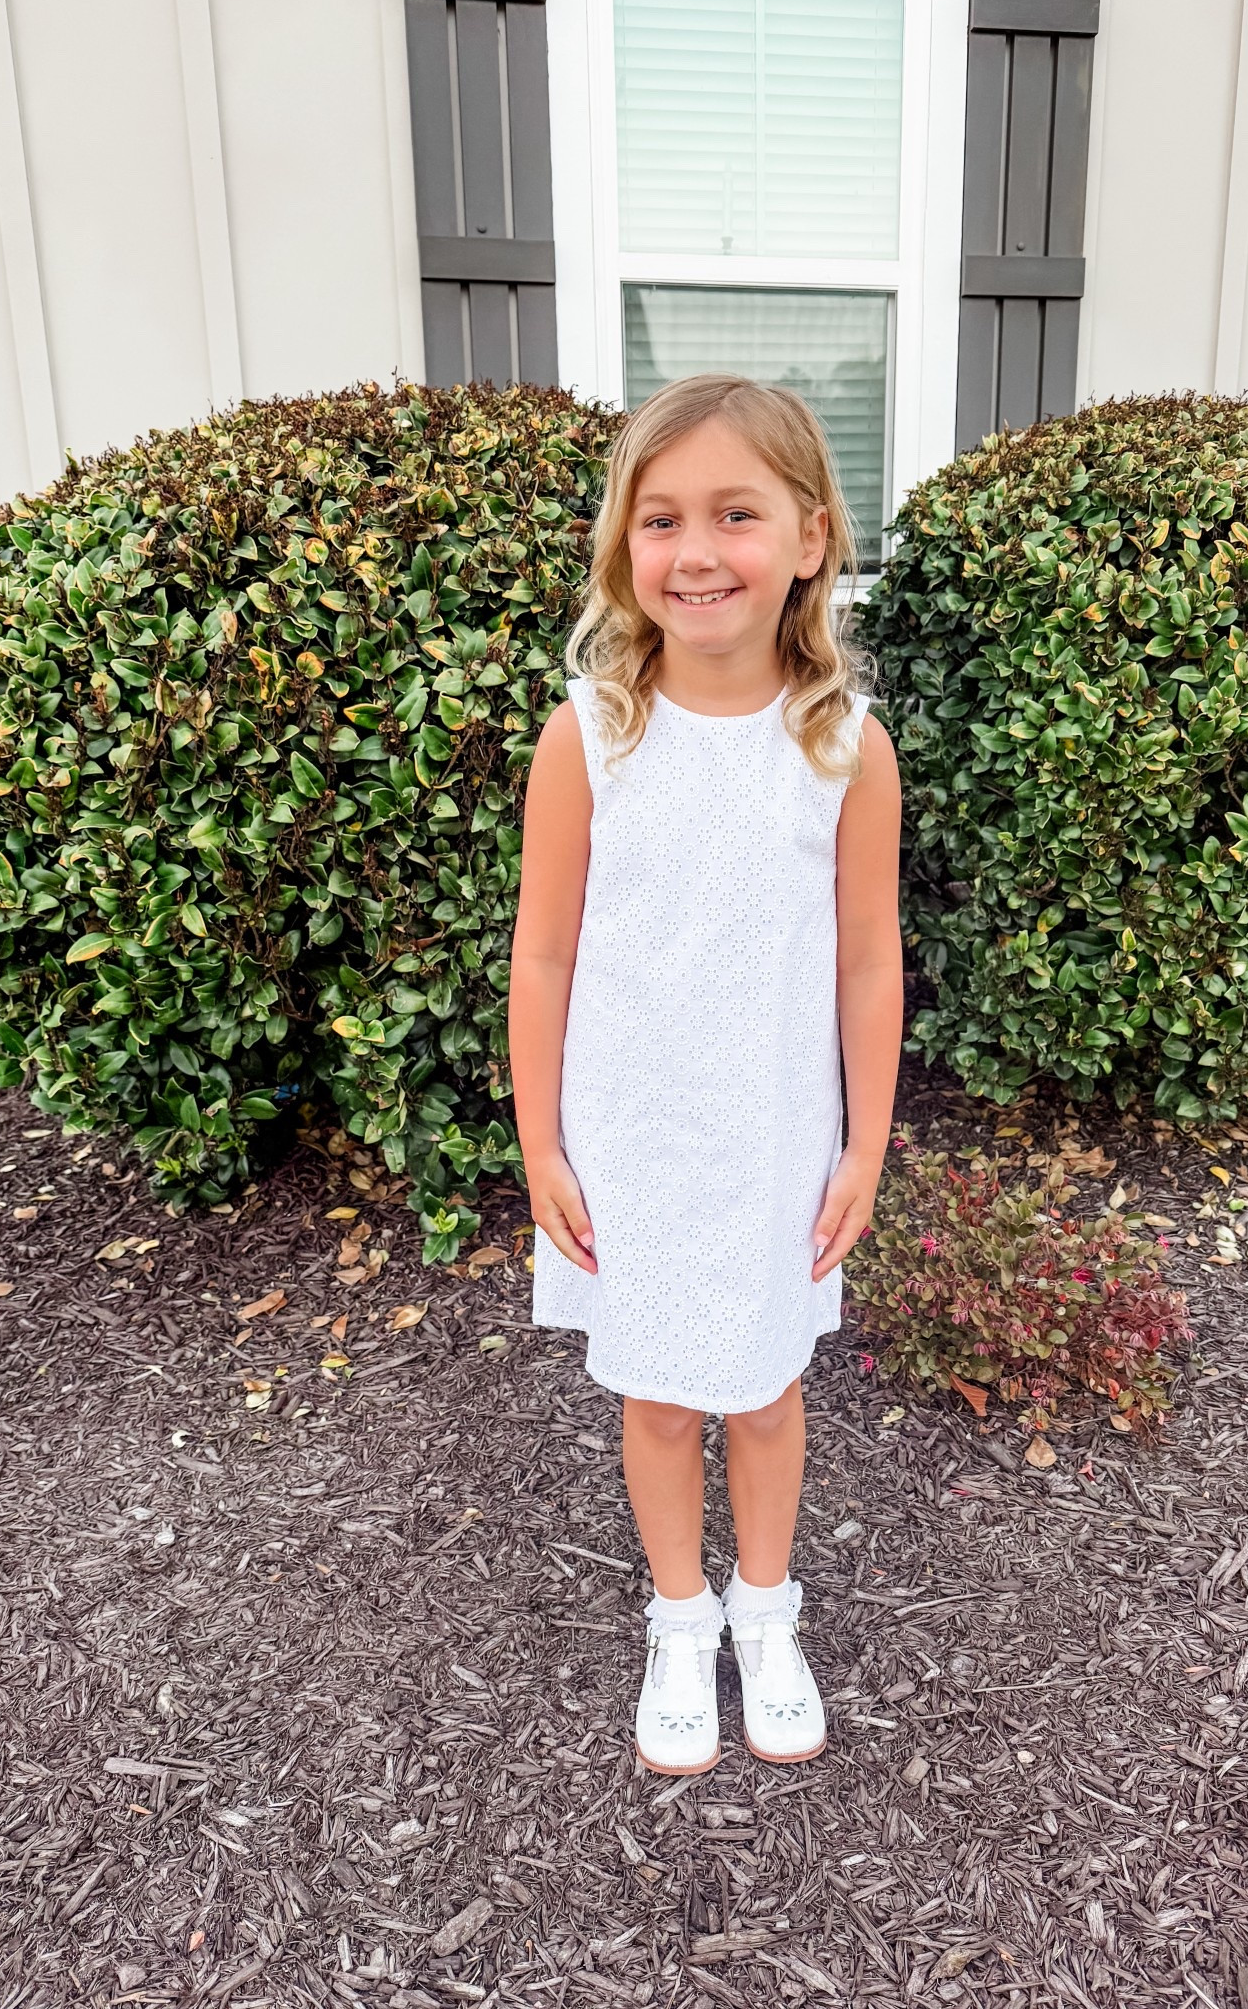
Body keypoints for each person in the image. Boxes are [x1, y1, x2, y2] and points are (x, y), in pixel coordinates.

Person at [507, 373, 903, 1774]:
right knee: (662, 1394)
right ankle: (680, 1618)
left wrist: (862, 1150)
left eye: (735, 513)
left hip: (775, 1137)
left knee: (767, 1391)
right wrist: (542, 1143)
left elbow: (866, 960)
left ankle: (764, 1613)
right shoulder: (591, 737)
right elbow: (543, 954)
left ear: (807, 538)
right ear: (626, 546)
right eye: (661, 517)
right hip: (635, 1136)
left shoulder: (844, 748)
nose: (696, 550)